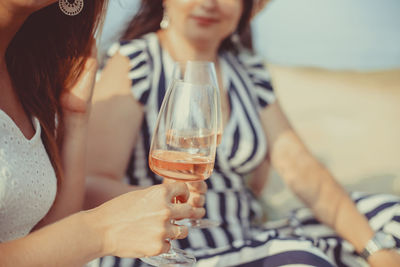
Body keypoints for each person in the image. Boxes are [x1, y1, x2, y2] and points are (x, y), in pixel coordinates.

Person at [87, 0, 400, 266]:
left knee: (390, 216)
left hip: (241, 233)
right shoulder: (135, 61)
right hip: (162, 244)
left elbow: (300, 167)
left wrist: (375, 248)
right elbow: (92, 183)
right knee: (301, 259)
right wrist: (165, 199)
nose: (209, 3)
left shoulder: (248, 69)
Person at [0, 1, 197, 266]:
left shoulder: (26, 74)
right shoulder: (139, 60)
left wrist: (76, 116)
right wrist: (102, 230)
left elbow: (52, 243)